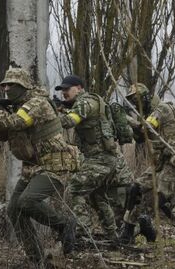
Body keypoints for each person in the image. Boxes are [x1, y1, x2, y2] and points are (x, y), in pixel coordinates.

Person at [0, 67, 80, 266]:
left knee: (26, 201)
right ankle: (36, 260)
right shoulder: (17, 106)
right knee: (14, 210)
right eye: (5, 85)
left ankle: (64, 225)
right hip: (33, 168)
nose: (7, 89)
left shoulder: (37, 103)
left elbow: (16, 122)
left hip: (55, 166)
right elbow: (3, 135)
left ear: (23, 86)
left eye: (12, 85)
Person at [120, 83, 175, 244]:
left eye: (137, 101)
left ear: (145, 98)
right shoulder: (150, 112)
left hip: (173, 157)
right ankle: (128, 232)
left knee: (162, 199)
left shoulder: (162, 108)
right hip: (160, 160)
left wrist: (125, 117)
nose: (136, 104)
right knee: (135, 188)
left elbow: (146, 128)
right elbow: (140, 137)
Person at [55, 74, 123, 241]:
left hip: (101, 159)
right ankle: (114, 237)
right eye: (62, 90)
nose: (64, 92)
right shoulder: (80, 103)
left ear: (79, 88)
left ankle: (82, 232)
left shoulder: (87, 102)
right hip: (99, 159)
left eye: (67, 89)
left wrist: (50, 115)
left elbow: (70, 121)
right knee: (97, 197)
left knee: (75, 188)